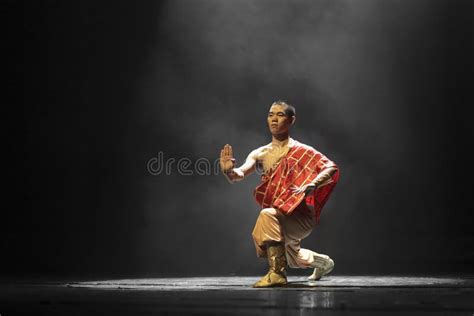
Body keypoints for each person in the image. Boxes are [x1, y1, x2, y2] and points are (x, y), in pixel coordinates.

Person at [219, 101, 340, 288]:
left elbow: (330, 167)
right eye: (270, 114)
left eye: (280, 114)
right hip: (281, 214)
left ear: (292, 120)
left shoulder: (302, 150)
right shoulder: (260, 153)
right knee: (294, 258)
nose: (274, 119)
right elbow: (239, 175)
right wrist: (229, 171)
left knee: (267, 214)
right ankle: (324, 263)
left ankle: (277, 274)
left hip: (300, 214)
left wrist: (313, 183)